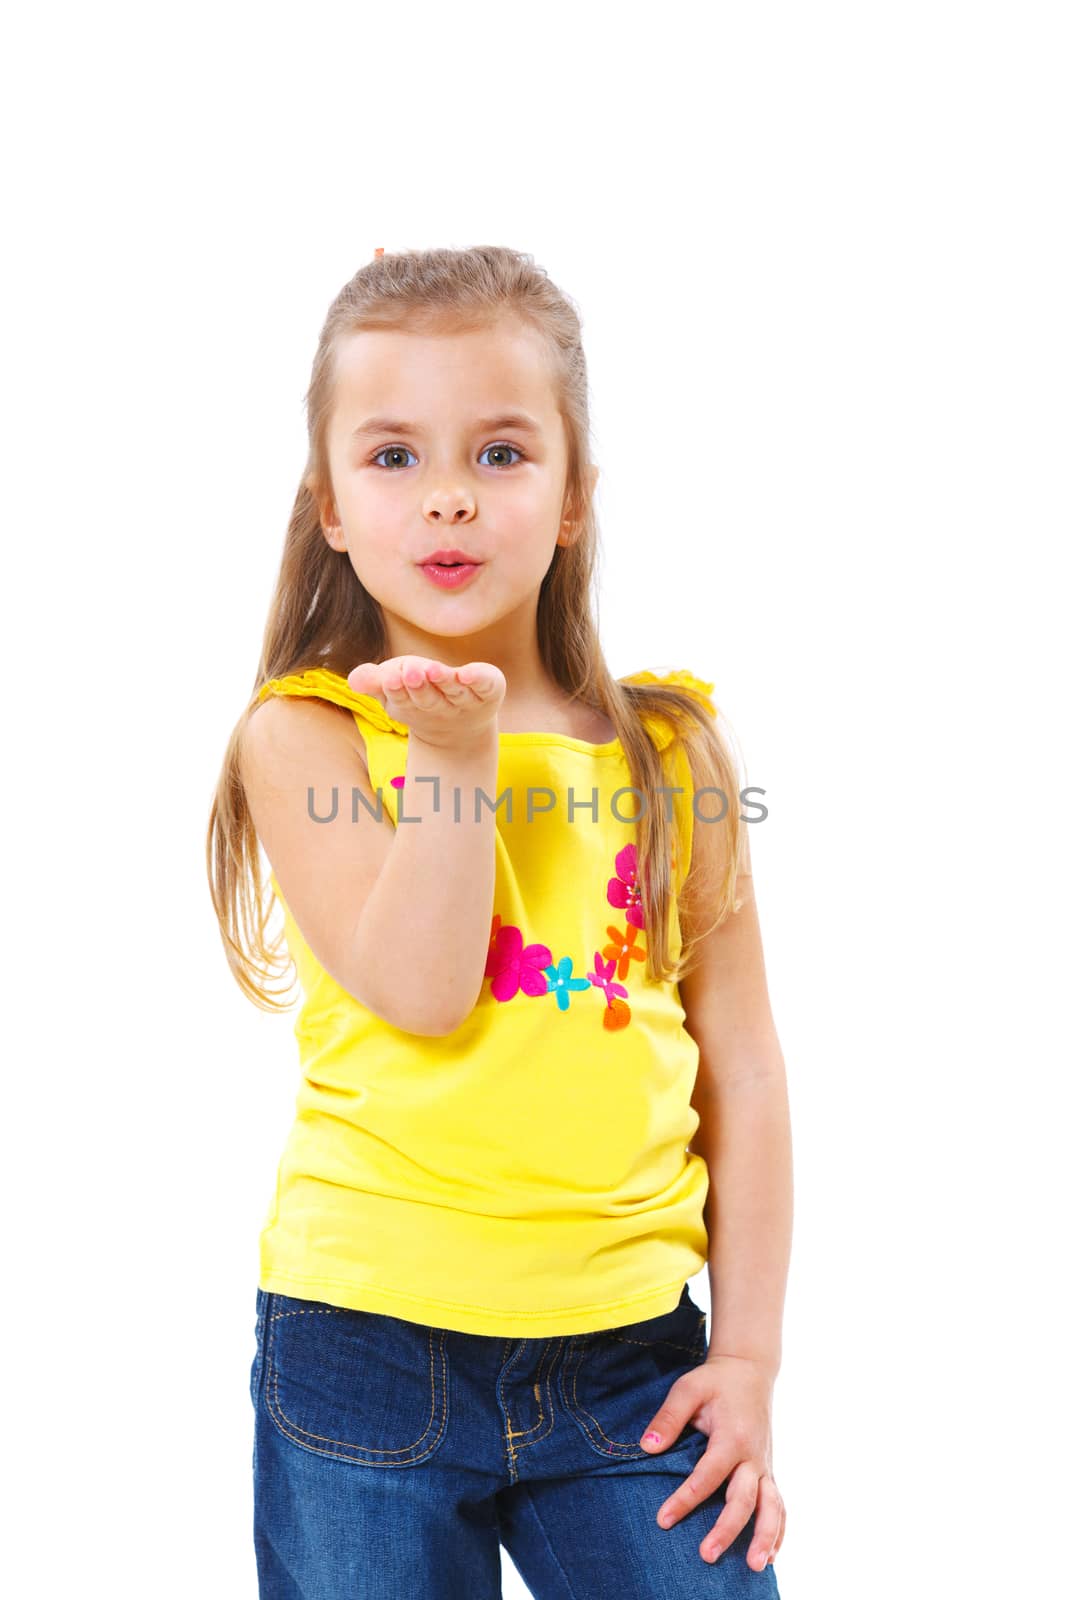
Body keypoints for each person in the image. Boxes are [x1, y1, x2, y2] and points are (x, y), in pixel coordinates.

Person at [207, 244, 792, 1597]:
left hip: (632, 1367)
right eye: (395, 456)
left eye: (505, 453)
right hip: (366, 1353)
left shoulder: (669, 750)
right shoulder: (307, 737)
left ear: (577, 495)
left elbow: (745, 1067)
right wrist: (454, 760)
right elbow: (420, 988)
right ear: (333, 507)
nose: (452, 496)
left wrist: (748, 1359)